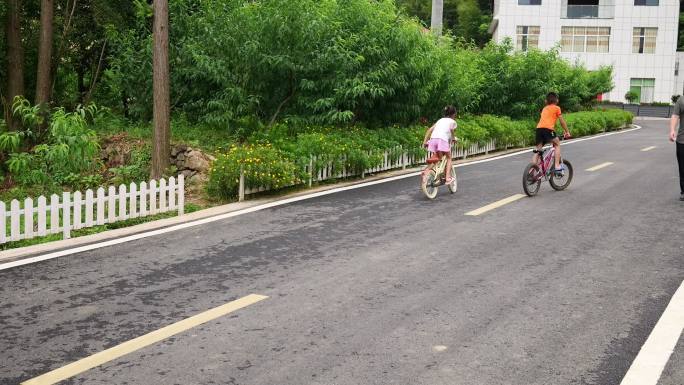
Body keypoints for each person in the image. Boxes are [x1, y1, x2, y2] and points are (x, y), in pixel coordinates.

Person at [534, 92, 571, 174]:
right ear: (556, 100)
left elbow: (545, 120)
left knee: (538, 151)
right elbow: (562, 122)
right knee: (557, 143)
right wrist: (567, 132)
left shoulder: (544, 108)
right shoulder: (557, 108)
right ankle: (557, 166)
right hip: (548, 130)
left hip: (539, 129)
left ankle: (532, 170)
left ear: (546, 101)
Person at [422, 105, 458, 183]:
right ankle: (448, 177)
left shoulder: (440, 120)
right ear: (454, 114)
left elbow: (429, 130)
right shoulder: (452, 122)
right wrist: (454, 138)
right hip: (442, 141)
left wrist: (425, 142)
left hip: (433, 140)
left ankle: (427, 170)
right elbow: (451, 130)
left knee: (438, 158)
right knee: (449, 158)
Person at [669, 96, 684, 201]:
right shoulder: (682, 100)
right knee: (682, 168)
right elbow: (675, 115)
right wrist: (672, 130)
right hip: (682, 140)